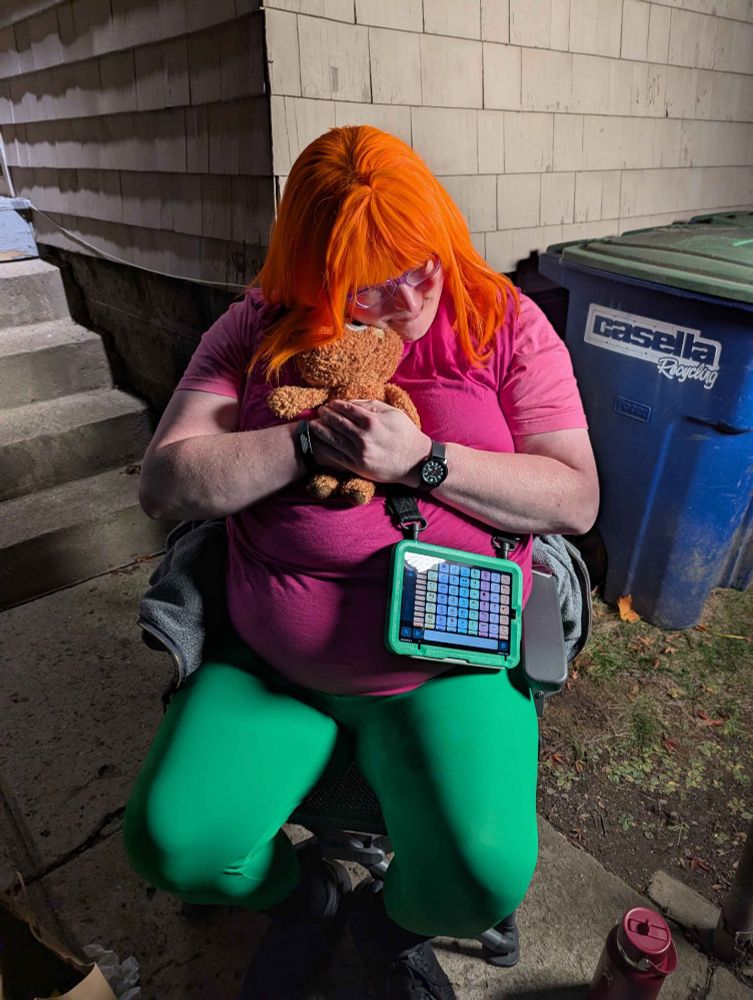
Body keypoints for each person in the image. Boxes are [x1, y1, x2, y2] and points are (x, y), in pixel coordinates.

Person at [123, 125, 599, 1000]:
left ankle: (389, 928)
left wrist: (424, 461)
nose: (412, 297)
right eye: (370, 286)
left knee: (484, 871)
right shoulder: (255, 326)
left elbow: (574, 497)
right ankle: (306, 902)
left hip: (448, 662)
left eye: (421, 263)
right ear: (310, 275)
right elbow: (165, 481)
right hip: (271, 664)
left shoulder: (503, 322)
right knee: (171, 845)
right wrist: (306, 439)